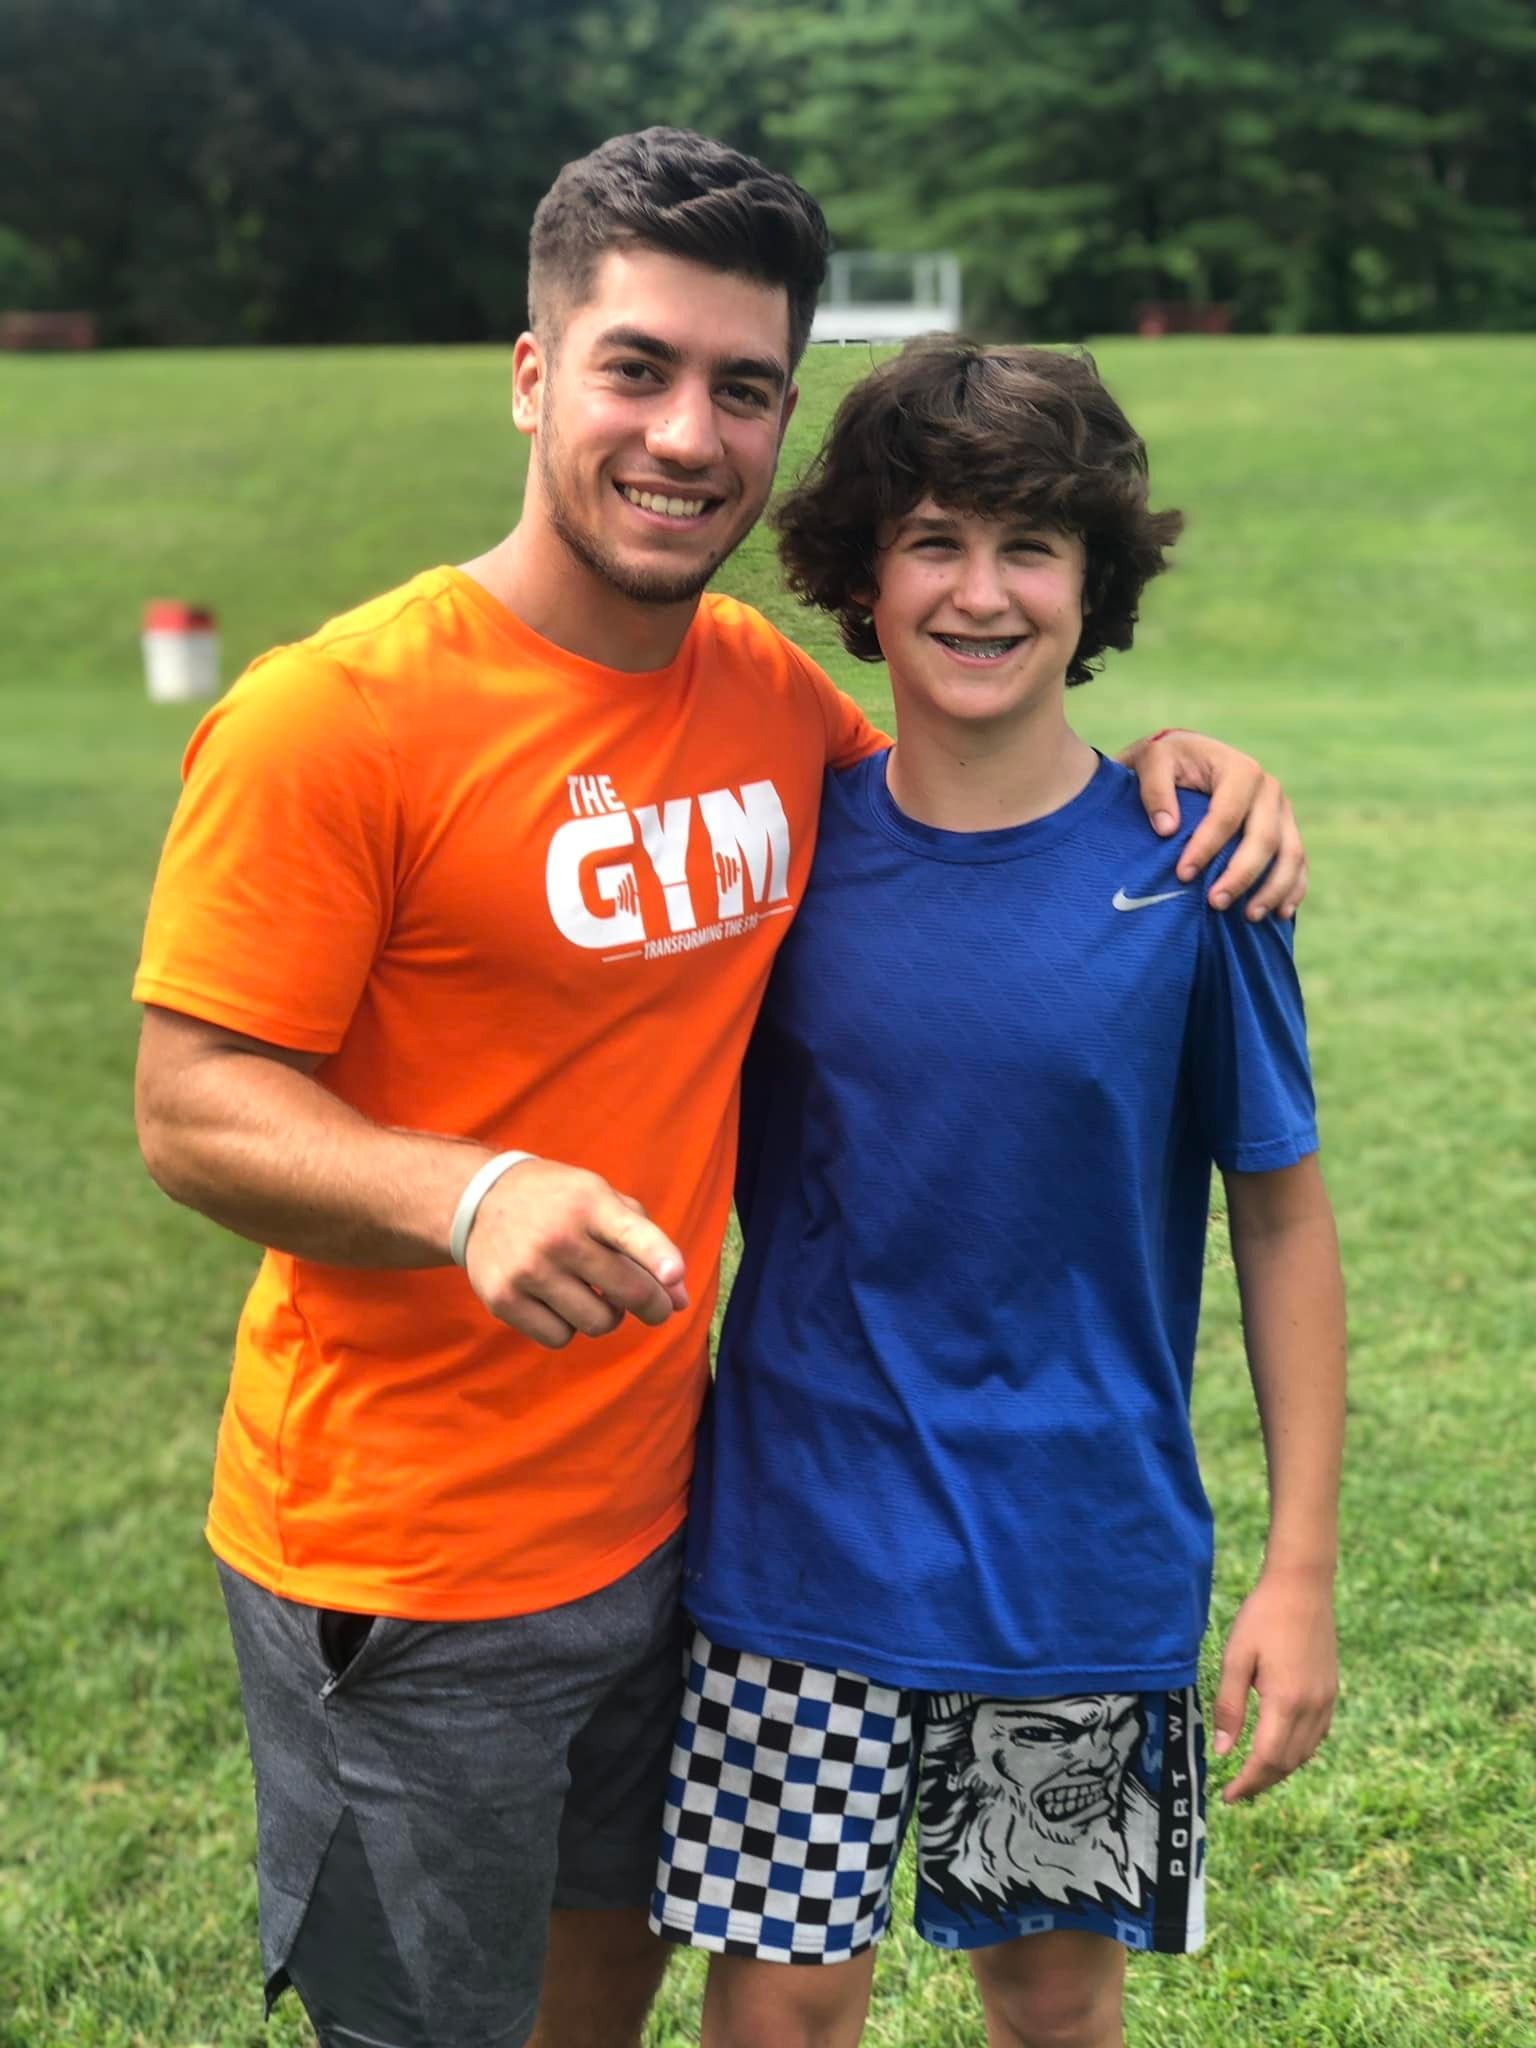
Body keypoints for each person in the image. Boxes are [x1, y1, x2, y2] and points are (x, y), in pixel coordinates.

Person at [132, 130, 1309, 2048]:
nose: (687, 432)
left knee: (606, 2008)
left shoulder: (767, 701)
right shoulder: (332, 716)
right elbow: (190, 1106)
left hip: (689, 1532)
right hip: (403, 1566)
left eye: (740, 387)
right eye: (636, 367)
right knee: (419, 2030)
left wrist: (1187, 765)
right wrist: (469, 1193)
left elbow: (981, 799)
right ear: (533, 375)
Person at [650, 339, 1346, 2048]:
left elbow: (1282, 1219)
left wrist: (1300, 1568)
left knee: (1052, 2003)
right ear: (863, 575)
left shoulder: (1196, 879)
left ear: (1092, 583)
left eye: (1031, 547)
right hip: (797, 1549)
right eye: (937, 542)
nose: (981, 593)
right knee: (783, 2009)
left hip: (1079, 1561)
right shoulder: (783, 854)